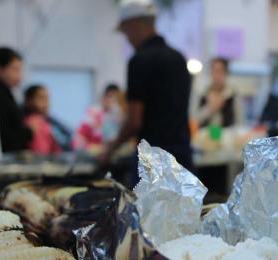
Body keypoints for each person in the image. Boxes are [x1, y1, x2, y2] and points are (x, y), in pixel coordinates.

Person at [101, 0, 192, 173]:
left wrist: (110, 150)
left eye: (125, 31)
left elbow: (134, 121)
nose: (127, 38)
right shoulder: (178, 58)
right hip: (182, 157)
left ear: (134, 24)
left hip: (153, 161)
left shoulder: (139, 61)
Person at [73, 83, 125, 151]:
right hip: (90, 150)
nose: (113, 101)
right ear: (104, 98)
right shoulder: (94, 113)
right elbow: (81, 138)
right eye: (111, 97)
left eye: (117, 99)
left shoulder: (116, 113)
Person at [197, 57, 240, 128]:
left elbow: (239, 122)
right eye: (214, 71)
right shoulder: (202, 93)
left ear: (226, 73)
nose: (217, 75)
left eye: (220, 71)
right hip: (205, 135)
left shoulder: (232, 94)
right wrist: (210, 108)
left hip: (227, 136)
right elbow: (194, 119)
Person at [23, 85, 61, 155]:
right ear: (29, 100)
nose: (46, 102)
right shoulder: (33, 122)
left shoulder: (47, 121)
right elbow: (41, 152)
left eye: (47, 98)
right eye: (41, 98)